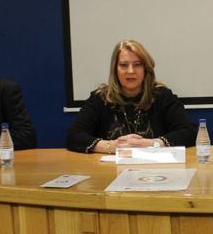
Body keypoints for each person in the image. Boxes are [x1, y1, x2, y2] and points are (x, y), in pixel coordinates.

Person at [66, 39, 196, 153]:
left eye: (137, 64)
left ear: (145, 69)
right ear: (115, 70)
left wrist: (152, 144)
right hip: (110, 171)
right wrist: (111, 146)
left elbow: (189, 131)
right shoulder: (100, 98)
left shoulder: (162, 96)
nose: (130, 71)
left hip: (154, 171)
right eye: (123, 65)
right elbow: (74, 136)